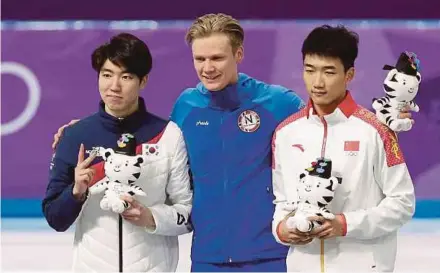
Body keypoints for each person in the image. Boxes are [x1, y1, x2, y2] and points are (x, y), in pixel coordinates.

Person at [50, 15, 414, 272]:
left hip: (271, 258)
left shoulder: (277, 102)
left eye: (217, 58)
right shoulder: (186, 106)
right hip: (206, 259)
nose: (207, 67)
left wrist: (385, 120)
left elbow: (325, 119)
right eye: (200, 59)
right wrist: (86, 131)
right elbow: (155, 142)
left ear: (238, 55)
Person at [42, 33, 193, 272]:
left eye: (126, 77)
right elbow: (55, 219)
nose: (114, 86)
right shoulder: (75, 135)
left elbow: (187, 213)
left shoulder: (168, 135)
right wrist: (76, 192)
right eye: (107, 75)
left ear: (143, 81)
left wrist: (150, 218)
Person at [271, 25, 416, 272]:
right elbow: (283, 202)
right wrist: (282, 229)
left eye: (329, 72)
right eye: (310, 70)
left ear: (349, 75)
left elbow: (402, 203)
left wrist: (345, 224)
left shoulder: (376, 130)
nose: (317, 82)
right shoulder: (285, 133)